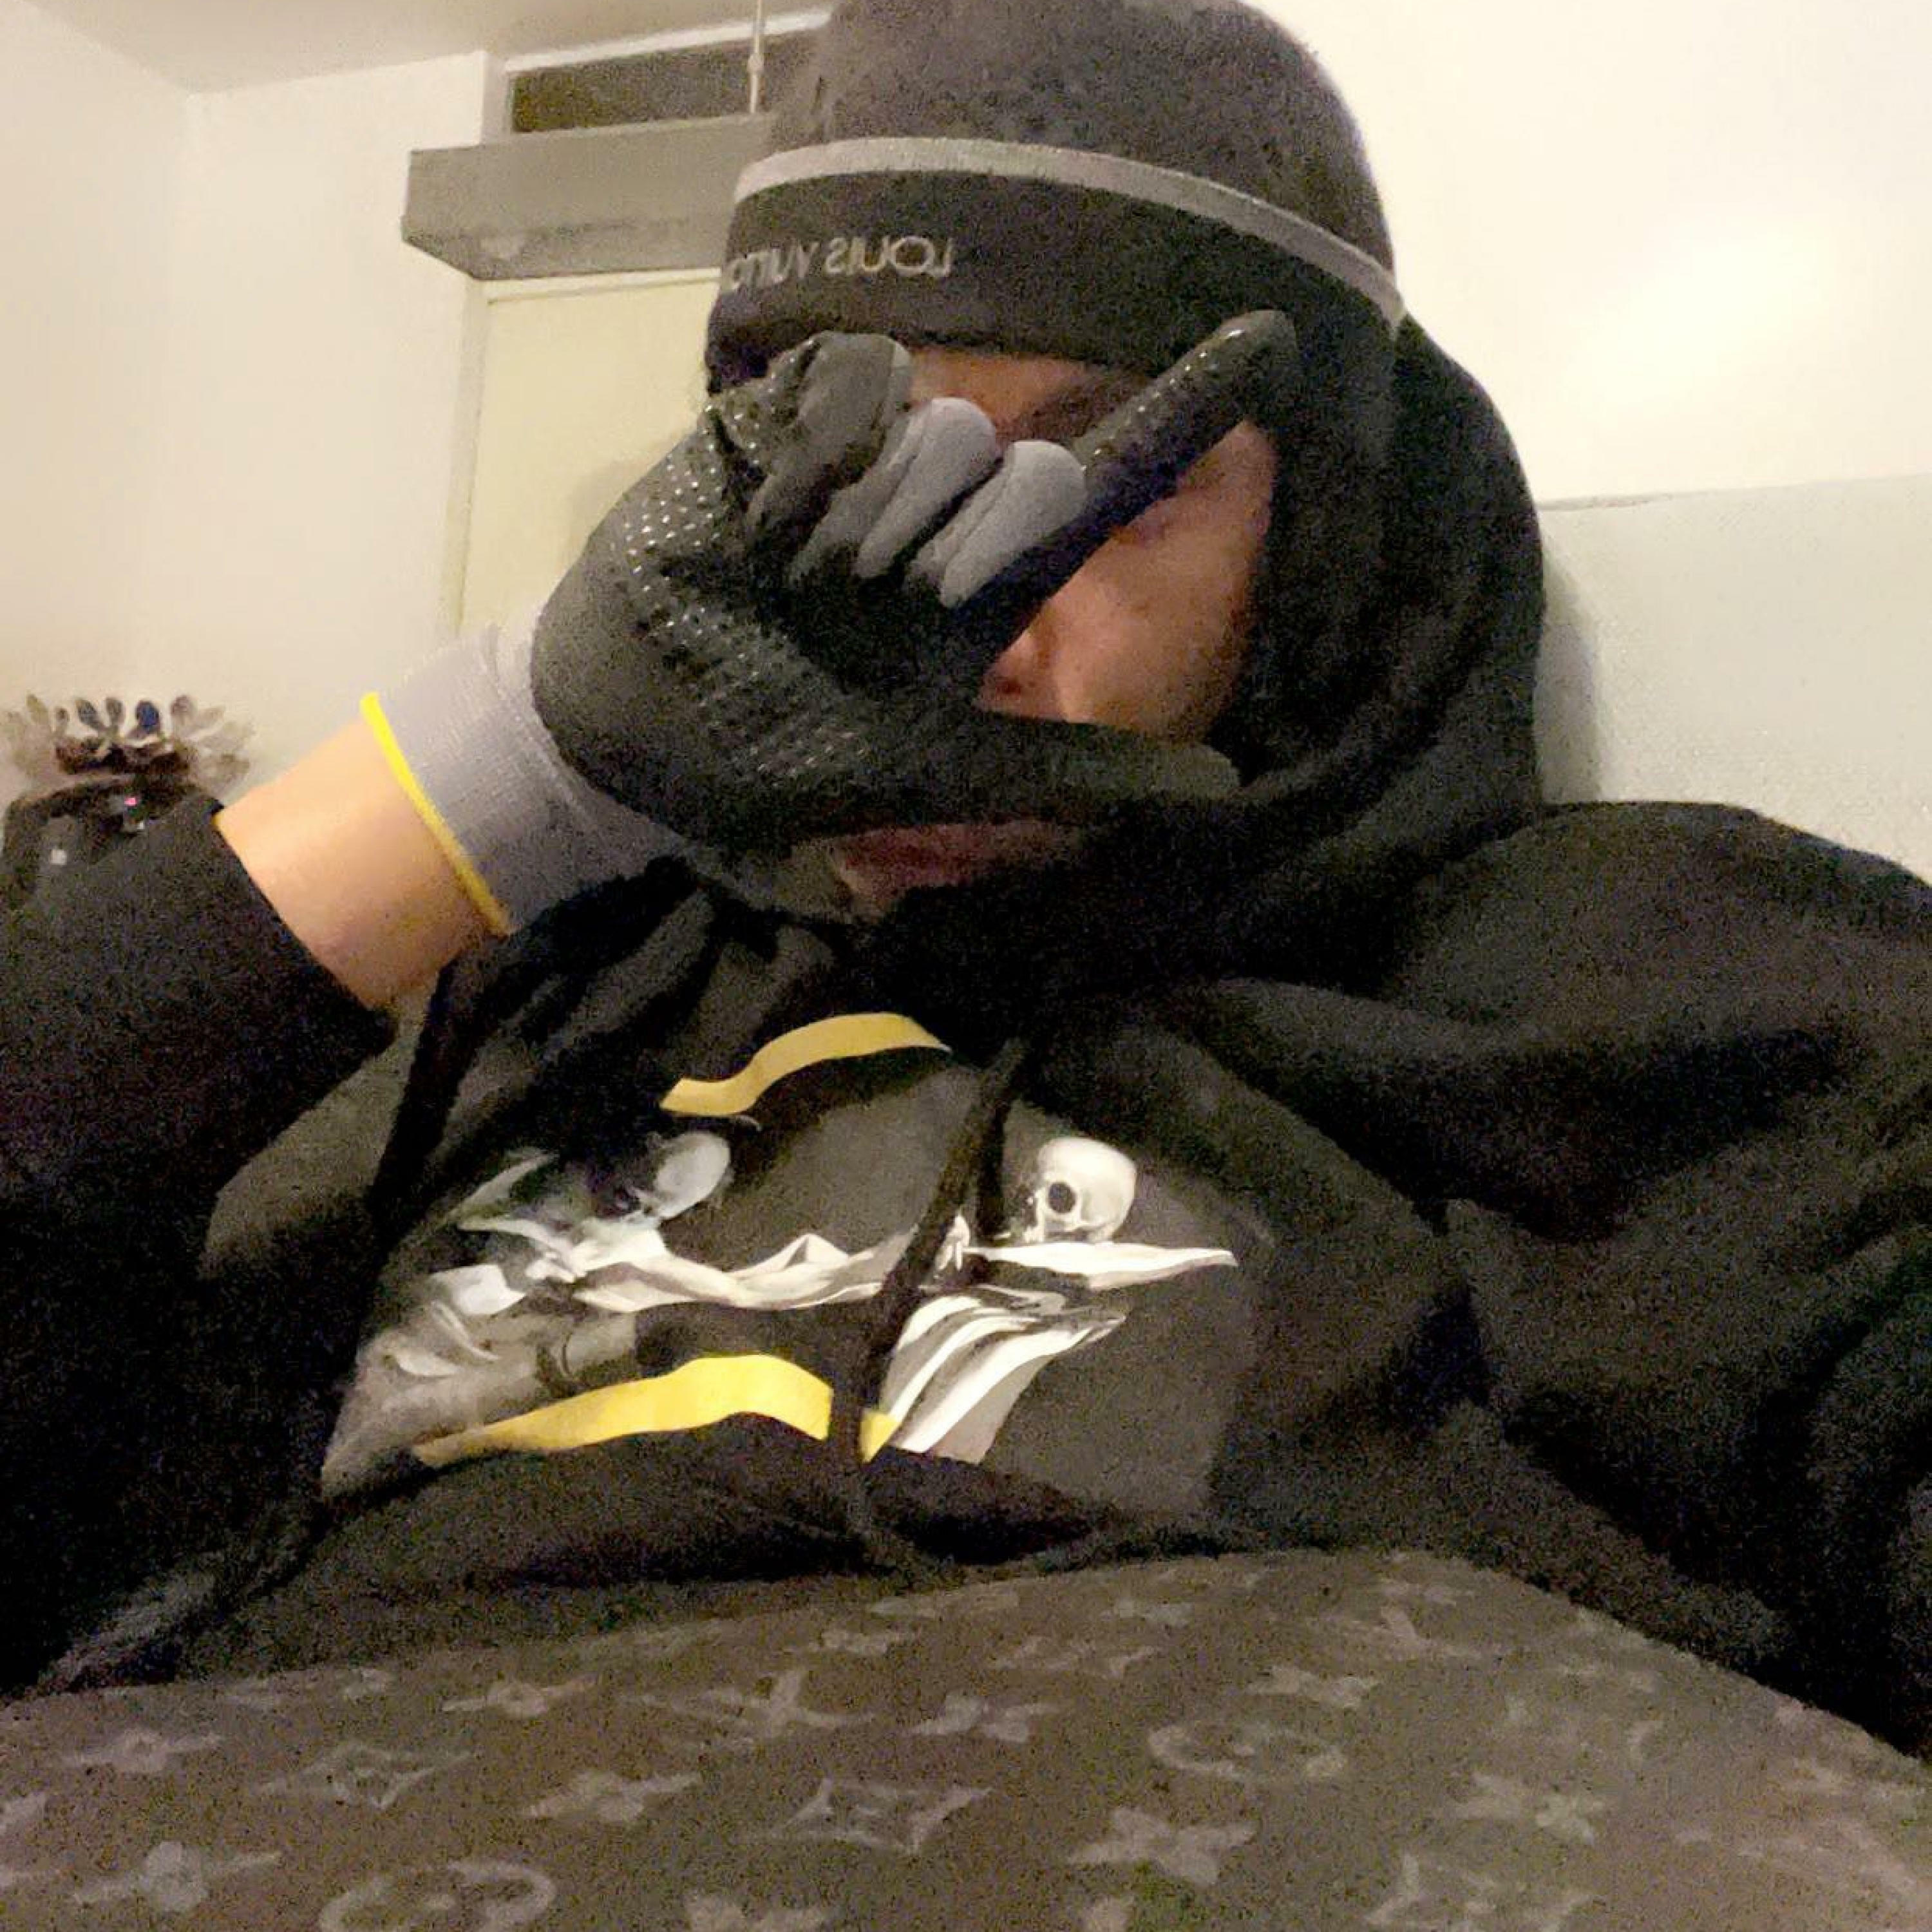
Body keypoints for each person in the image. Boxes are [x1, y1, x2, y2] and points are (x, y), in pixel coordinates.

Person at [2, 0, 1926, 1759]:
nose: (952, 628)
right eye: (852, 470)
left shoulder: (1647, 989)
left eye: (1110, 482)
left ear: (1327, 532)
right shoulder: (531, 982)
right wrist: (516, 760)